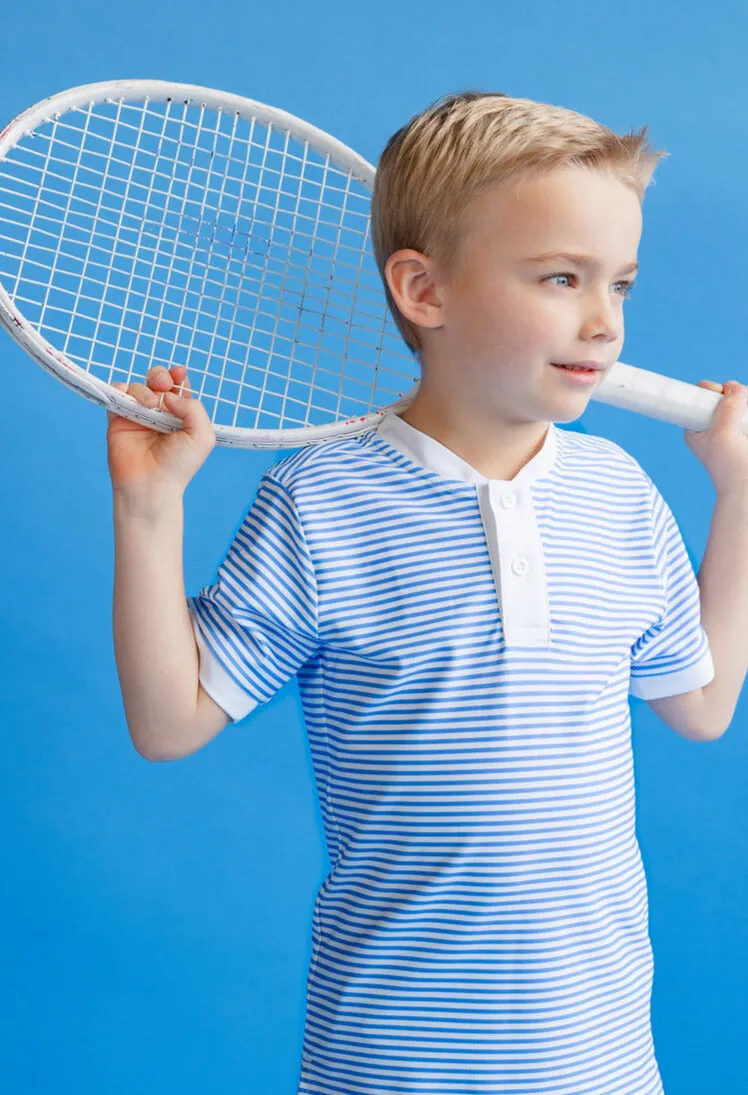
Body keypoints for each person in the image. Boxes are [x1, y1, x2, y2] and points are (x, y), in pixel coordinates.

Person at [107, 90, 748, 1094]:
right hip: (391, 1059)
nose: (602, 321)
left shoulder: (619, 495)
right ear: (424, 290)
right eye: (560, 277)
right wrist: (148, 513)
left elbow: (702, 705)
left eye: (618, 284)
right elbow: (168, 723)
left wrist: (738, 493)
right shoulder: (320, 502)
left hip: (600, 1060)